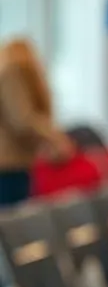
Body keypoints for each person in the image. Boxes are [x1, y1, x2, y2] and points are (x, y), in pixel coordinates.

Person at [0, 37, 73, 206]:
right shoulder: (13, 72)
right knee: (13, 222)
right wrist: (56, 138)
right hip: (8, 164)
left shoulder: (10, 71)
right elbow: (22, 119)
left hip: (16, 163)